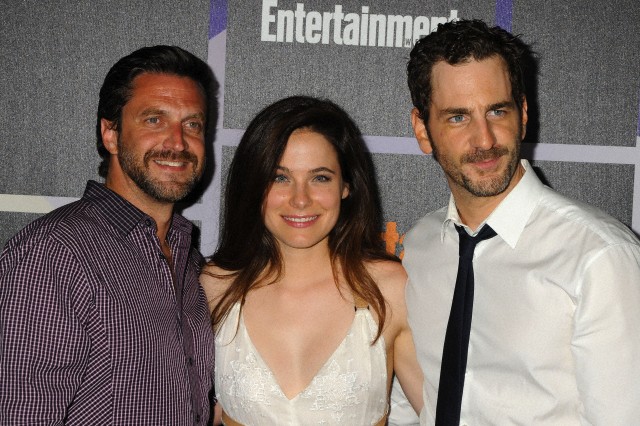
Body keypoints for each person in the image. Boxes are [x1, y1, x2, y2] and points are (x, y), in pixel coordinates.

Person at [404, 19, 640, 425]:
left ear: (524, 113)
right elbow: (407, 404)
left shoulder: (599, 258)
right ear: (423, 130)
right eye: (458, 117)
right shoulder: (418, 248)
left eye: (498, 110)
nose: (485, 139)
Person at [0, 45, 218, 424]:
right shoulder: (54, 254)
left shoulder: (191, 262)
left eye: (192, 124)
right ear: (111, 134)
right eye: (154, 120)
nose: (178, 142)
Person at [200, 96, 424, 425]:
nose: (300, 199)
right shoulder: (215, 287)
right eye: (280, 178)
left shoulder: (389, 288)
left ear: (346, 186)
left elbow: (444, 412)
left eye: (320, 177)